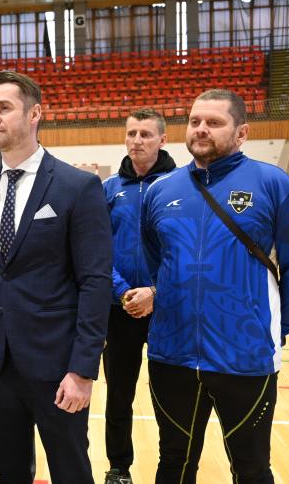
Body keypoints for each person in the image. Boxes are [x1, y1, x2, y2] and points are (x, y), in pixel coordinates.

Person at [141, 89, 289, 483]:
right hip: (171, 355)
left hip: (245, 356)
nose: (201, 129)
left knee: (251, 469)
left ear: (242, 133)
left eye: (214, 122)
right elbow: (156, 262)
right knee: (173, 463)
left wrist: (273, 329)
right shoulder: (161, 190)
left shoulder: (275, 185)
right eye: (195, 121)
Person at [0, 71, 113, 484]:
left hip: (57, 365)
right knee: (9, 473)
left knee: (71, 472)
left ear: (34, 114)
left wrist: (83, 370)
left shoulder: (77, 187)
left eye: (3, 108)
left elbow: (95, 282)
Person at [101, 109, 176, 484]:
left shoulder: (182, 186)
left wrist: (156, 292)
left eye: (146, 134)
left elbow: (190, 251)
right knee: (118, 395)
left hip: (168, 309)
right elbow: (96, 249)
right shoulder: (109, 189)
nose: (137, 140)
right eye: (131, 133)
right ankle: (119, 467)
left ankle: (173, 467)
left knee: (171, 396)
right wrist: (122, 290)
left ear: (163, 139)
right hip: (120, 308)